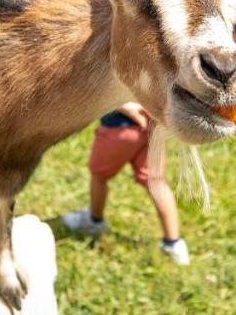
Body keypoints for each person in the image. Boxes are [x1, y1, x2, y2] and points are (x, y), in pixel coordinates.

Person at [62, 102, 191, 266]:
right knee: (156, 182)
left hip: (119, 129)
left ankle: (94, 222)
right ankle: (174, 244)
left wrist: (126, 107)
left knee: (99, 176)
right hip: (152, 126)